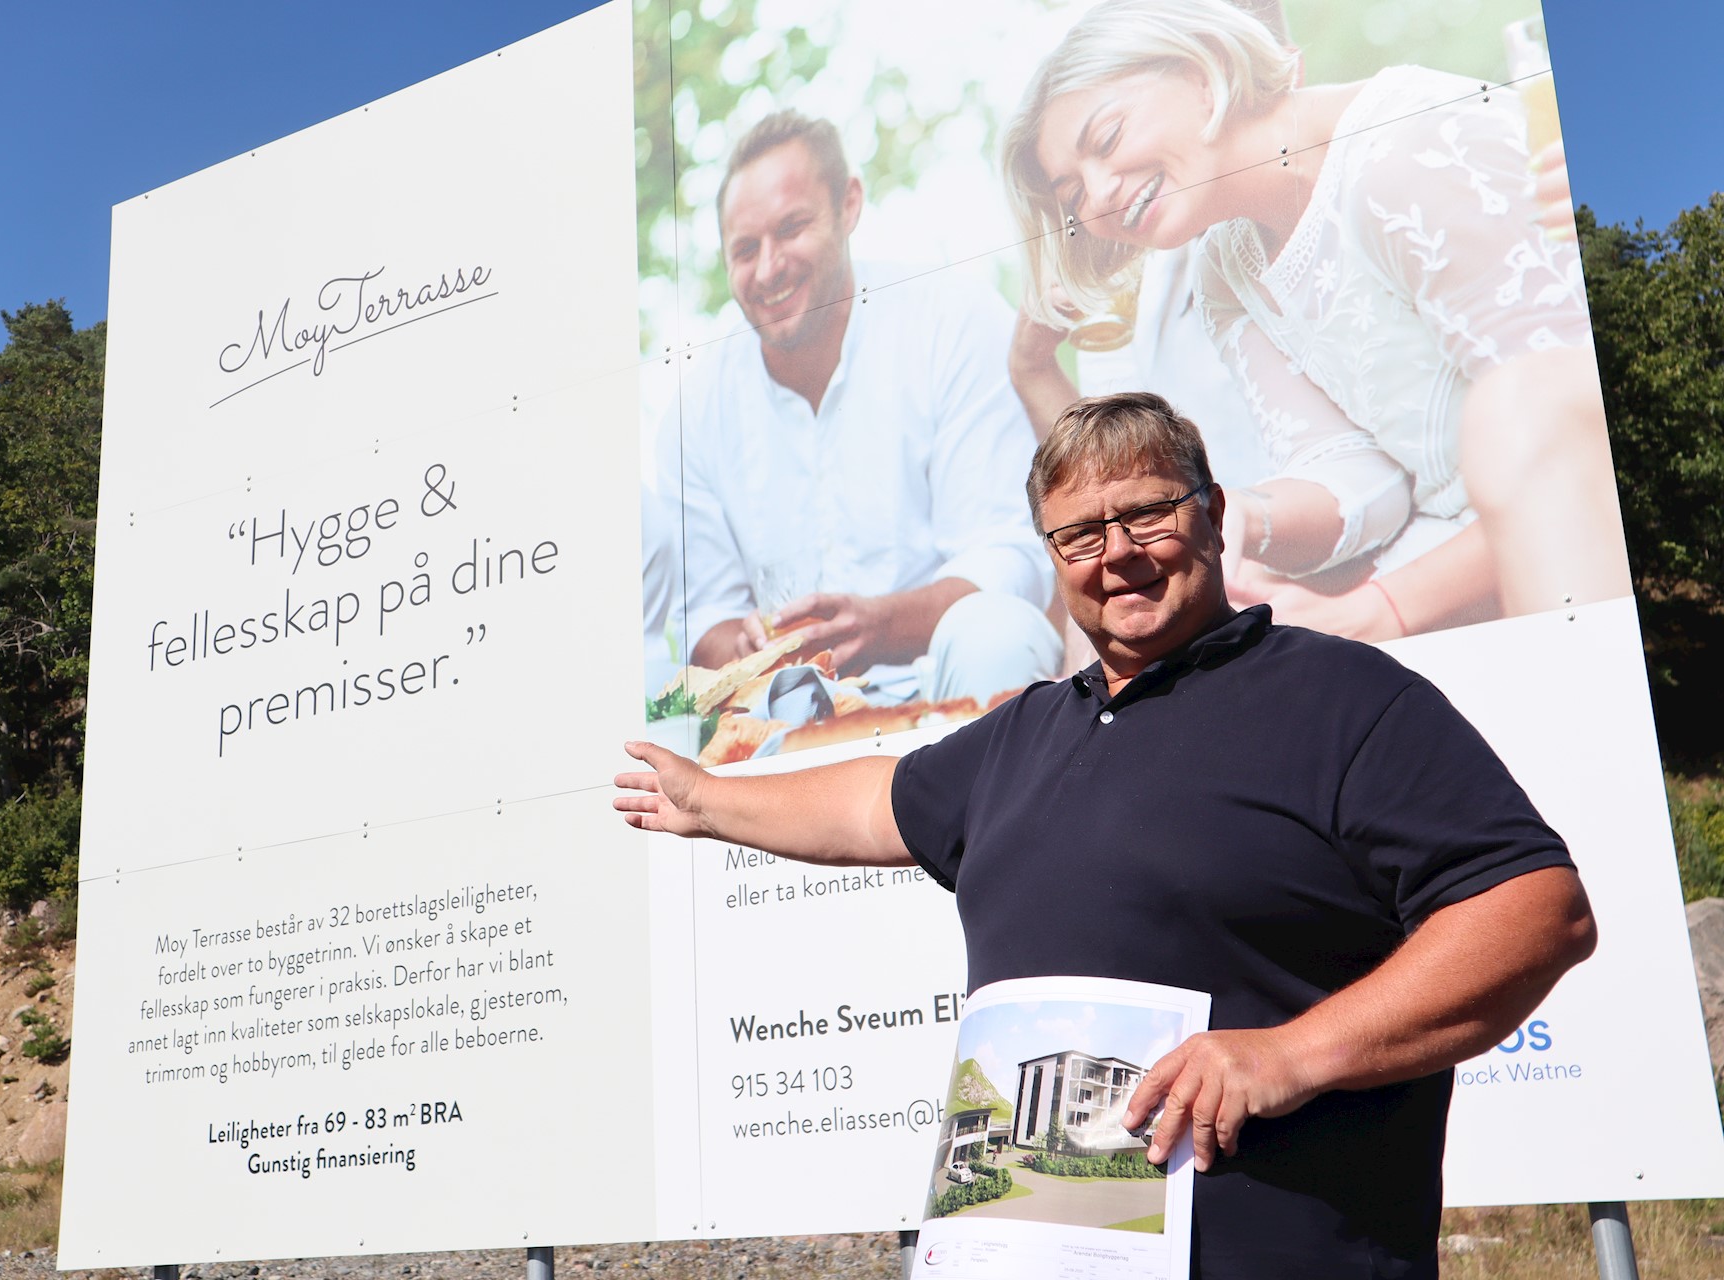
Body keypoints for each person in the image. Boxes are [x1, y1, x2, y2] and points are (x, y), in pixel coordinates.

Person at [614, 392, 1596, 1277]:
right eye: (1079, 534)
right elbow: (876, 803)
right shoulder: (1028, 733)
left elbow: (1534, 910)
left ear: (1211, 513)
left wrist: (1290, 1053)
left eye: (1148, 514)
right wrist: (707, 801)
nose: (1117, 554)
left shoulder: (1344, 697)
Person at [998, 0, 1629, 641]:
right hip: (1453, 554)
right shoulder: (1226, 264)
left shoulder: (1406, 146)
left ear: (1203, 70)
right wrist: (1244, 512)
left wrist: (1383, 608)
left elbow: (1568, 456)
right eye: (1074, 195)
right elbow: (1351, 473)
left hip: (1581, 552)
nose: (1100, 194)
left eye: (1106, 140)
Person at [651, 109, 1060, 713]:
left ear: (848, 206)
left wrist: (880, 626)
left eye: (791, 228)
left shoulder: (951, 319)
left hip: (944, 679)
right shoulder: (696, 410)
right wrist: (745, 644)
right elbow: (702, 618)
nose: (768, 268)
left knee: (996, 631)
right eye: (744, 249)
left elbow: (1010, 556)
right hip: (781, 713)